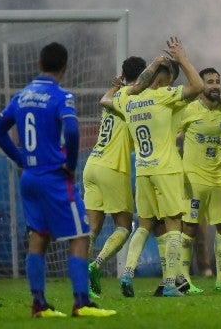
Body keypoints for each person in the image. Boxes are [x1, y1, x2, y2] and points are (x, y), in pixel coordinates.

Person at [0, 42, 116, 318]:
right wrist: (69, 164)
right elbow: (71, 131)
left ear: (39, 64)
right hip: (53, 177)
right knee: (80, 236)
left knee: (39, 238)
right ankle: (81, 303)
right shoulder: (61, 96)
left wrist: (21, 159)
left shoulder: (21, 96)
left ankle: (39, 305)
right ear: (64, 68)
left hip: (29, 178)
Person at [102, 36, 203, 297]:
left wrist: (122, 86)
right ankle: (171, 284)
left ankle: (126, 273)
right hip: (167, 168)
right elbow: (198, 86)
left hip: (143, 169)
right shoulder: (164, 96)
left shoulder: (128, 99)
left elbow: (106, 101)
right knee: (173, 225)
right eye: (169, 76)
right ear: (161, 79)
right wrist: (182, 58)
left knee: (144, 224)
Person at [83, 56, 150, 298]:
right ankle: (96, 265)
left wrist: (116, 84)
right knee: (124, 226)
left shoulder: (114, 96)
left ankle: (82, 280)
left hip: (92, 164)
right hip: (113, 167)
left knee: (93, 228)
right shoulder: (136, 97)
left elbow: (104, 100)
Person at [178, 67, 221, 292]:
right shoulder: (188, 110)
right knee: (189, 229)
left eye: (217, 81)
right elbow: (171, 136)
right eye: (209, 82)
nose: (214, 86)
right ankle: (184, 278)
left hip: (218, 179)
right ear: (201, 86)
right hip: (193, 180)